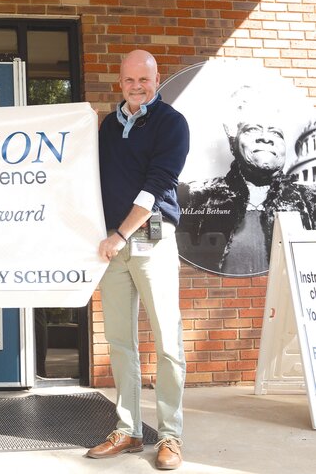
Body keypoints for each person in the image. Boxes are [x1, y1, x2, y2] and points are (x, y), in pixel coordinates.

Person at [87, 50, 190, 470]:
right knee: (120, 342)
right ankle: (128, 430)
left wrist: (120, 233)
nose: (136, 87)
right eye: (129, 80)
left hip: (150, 240)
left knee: (168, 343)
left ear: (156, 79)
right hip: (113, 250)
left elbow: (156, 186)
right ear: (121, 82)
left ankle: (170, 436)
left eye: (143, 80)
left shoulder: (172, 124)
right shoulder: (108, 126)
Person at [177, 86, 316, 276]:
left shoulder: (311, 201)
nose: (266, 138)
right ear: (234, 140)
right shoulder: (194, 197)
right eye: (252, 129)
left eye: (276, 133)